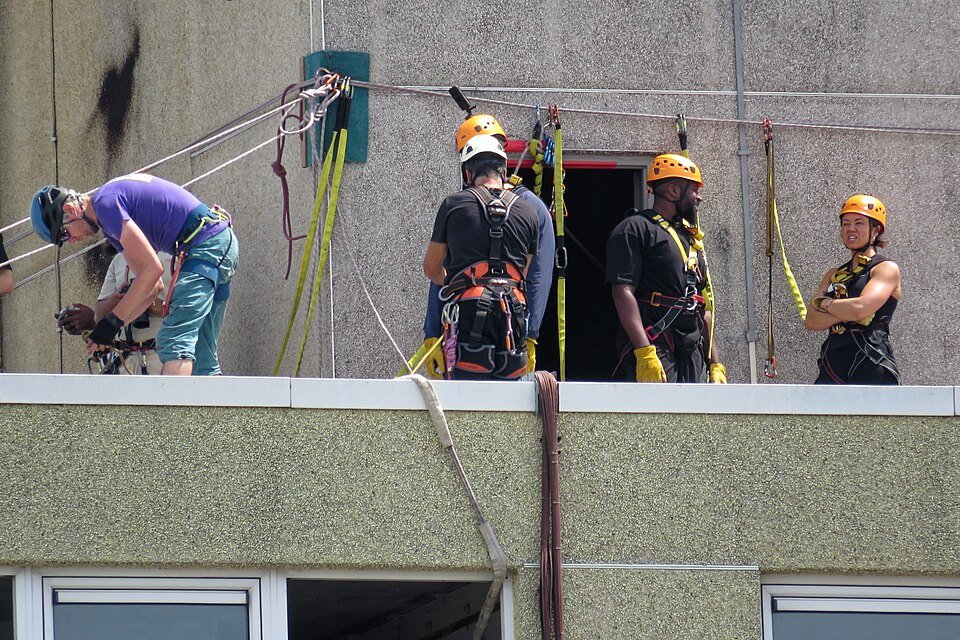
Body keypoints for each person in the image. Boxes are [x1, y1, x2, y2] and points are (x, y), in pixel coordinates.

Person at [30, 174, 239, 375]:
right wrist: (109, 330)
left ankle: (173, 402)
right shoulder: (110, 222)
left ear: (70, 209)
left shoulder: (106, 204)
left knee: (174, 340)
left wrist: (112, 322)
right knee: (203, 354)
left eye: (64, 235)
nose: (71, 241)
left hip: (205, 245)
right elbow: (153, 286)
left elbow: (152, 269)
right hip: (215, 242)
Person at [417, 114, 555, 378]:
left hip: (470, 317)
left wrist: (533, 332)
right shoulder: (528, 211)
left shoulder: (455, 205)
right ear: (503, 165)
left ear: (467, 170)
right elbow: (525, 274)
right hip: (511, 320)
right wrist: (431, 331)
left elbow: (436, 271)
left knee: (465, 390)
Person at [605, 153, 726, 383]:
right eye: (694, 190)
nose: (699, 198)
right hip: (655, 343)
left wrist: (715, 362)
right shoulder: (635, 229)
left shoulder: (690, 238)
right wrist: (644, 351)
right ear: (673, 191)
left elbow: (703, 305)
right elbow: (622, 292)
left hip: (690, 347)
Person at [804, 194, 901, 384]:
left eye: (859, 223)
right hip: (833, 359)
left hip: (871, 357)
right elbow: (811, 320)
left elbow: (860, 308)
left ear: (875, 230)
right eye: (846, 223)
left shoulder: (885, 268)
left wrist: (825, 304)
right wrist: (850, 312)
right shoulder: (833, 274)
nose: (851, 228)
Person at [58, 251, 173, 374]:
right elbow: (99, 315)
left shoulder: (171, 257)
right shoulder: (119, 259)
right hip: (123, 359)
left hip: (159, 356)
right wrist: (117, 299)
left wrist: (145, 299)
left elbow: (183, 311)